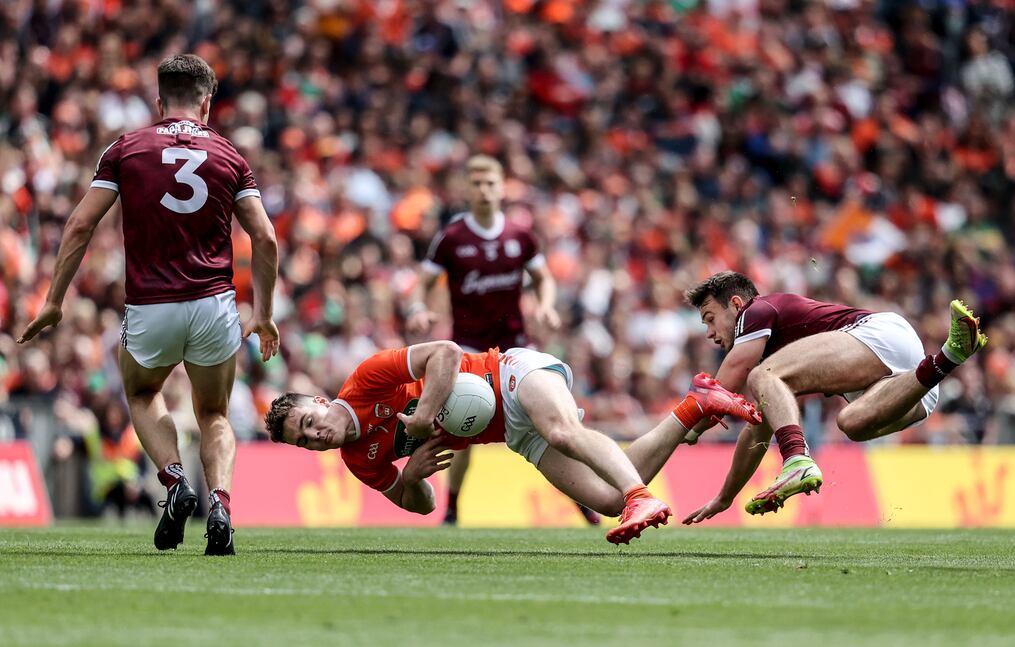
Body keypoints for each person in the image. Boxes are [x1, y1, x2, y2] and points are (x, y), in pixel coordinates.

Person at [18, 54, 280, 555]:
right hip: (213, 304)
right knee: (215, 414)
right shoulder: (230, 155)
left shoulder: (125, 149)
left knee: (141, 394)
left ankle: (175, 480)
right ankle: (220, 504)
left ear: (159, 102)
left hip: (150, 305)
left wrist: (53, 300)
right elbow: (265, 238)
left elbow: (79, 224)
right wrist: (263, 314)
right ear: (207, 103)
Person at [263, 341, 762, 544]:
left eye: (308, 422)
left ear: (320, 401)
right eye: (304, 443)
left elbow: (445, 352)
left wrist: (426, 415)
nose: (314, 438)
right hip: (512, 433)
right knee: (607, 500)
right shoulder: (357, 459)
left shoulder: (366, 379)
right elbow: (420, 504)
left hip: (510, 373)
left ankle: (642, 496)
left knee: (564, 431)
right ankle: (697, 404)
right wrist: (411, 478)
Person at [679, 271, 987, 524]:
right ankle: (948, 357)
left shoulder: (755, 311)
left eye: (710, 318)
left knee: (761, 375)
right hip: (917, 389)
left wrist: (685, 427)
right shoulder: (771, 367)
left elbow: (724, 385)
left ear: (735, 304)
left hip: (878, 335)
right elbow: (757, 429)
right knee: (852, 423)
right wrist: (725, 497)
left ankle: (797, 460)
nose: (709, 332)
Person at [404, 155, 597, 525]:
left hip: (516, 348)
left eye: (490, 183)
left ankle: (583, 499)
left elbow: (544, 277)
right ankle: (452, 509)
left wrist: (546, 305)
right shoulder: (452, 238)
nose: (484, 190)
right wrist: (417, 308)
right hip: (469, 351)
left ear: (501, 187)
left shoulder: (519, 236)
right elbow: (422, 282)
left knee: (555, 424)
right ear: (466, 188)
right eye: (476, 183)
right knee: (461, 427)